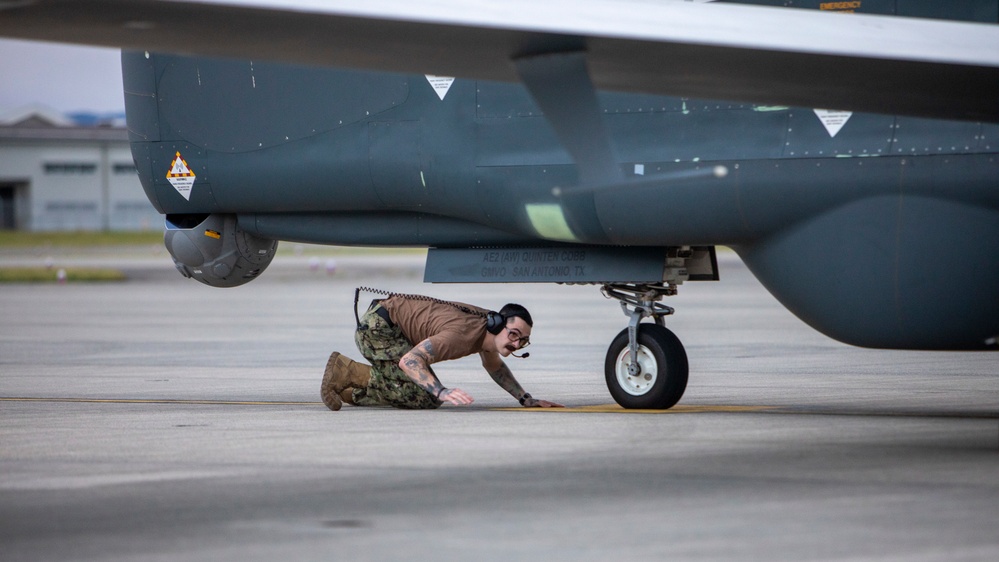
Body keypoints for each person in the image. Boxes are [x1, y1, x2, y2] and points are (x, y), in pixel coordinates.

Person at [321, 293, 564, 410]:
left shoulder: (487, 335)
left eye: (523, 341)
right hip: (379, 330)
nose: (516, 344)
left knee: (426, 396)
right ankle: (348, 371)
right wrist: (442, 390)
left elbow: (494, 367)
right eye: (514, 335)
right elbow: (411, 360)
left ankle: (353, 392)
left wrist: (525, 399)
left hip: (392, 329)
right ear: (498, 324)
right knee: (426, 396)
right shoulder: (462, 335)